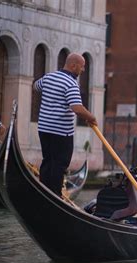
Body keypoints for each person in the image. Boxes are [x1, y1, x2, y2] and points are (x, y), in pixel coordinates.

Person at [33, 53, 97, 197]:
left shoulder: (49, 77)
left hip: (44, 128)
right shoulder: (70, 83)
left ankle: (43, 192)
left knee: (47, 161)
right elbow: (77, 108)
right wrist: (91, 117)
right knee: (59, 164)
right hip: (61, 132)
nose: (83, 70)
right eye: (82, 66)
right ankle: (55, 196)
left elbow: (36, 86)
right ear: (73, 65)